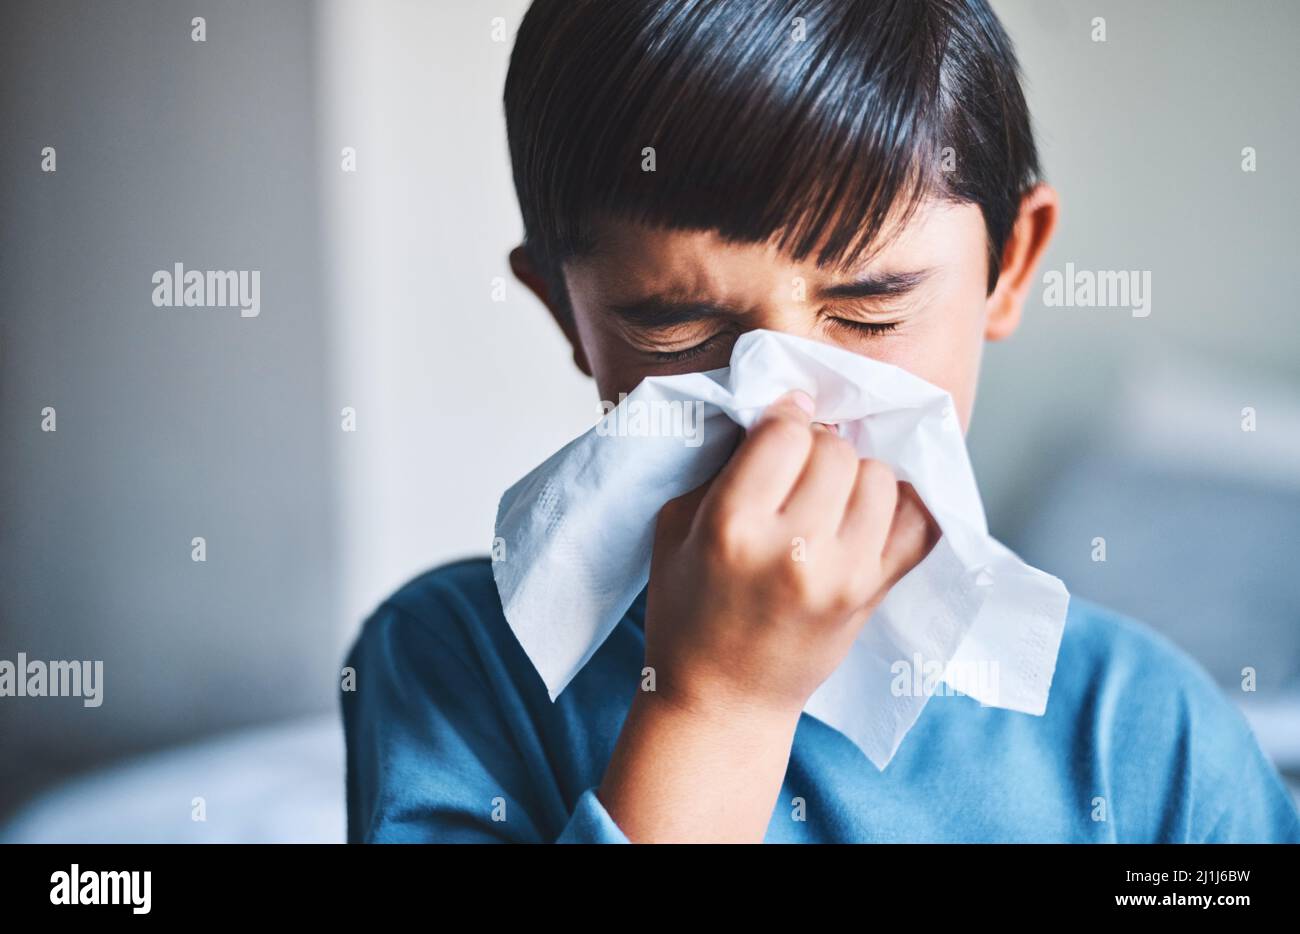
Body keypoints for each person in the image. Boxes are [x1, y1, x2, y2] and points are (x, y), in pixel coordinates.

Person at [341, 0, 1300, 843]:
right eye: (677, 325)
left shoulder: (1147, 736)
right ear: (567, 314)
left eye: (872, 312)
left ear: (1008, 267)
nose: (783, 409)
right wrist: (714, 708)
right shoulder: (455, 666)